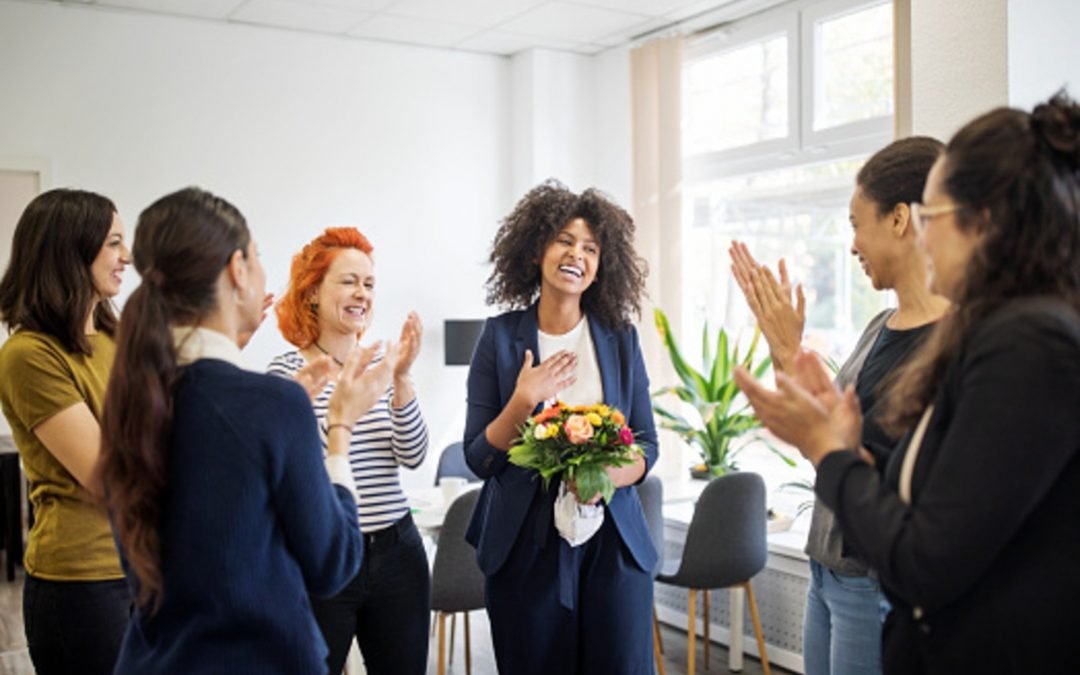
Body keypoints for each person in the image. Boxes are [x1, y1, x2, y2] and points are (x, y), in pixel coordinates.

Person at [735, 93, 1080, 673]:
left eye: (933, 218)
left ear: (982, 221)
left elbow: (927, 556)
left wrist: (832, 451)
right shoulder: (994, 332)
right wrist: (834, 435)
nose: (924, 239)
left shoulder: (1027, 344)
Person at [97, 187, 391, 673]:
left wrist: (279, 413)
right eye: (257, 258)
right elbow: (333, 563)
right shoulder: (271, 404)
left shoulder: (132, 400)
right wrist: (339, 426)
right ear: (237, 269)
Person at [728, 136, 949, 675]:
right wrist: (784, 351)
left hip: (874, 583)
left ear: (899, 218)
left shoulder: (953, 345)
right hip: (826, 567)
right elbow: (823, 448)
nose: (851, 245)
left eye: (855, 223)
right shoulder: (879, 327)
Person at [464, 180, 658, 674]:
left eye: (590, 248)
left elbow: (647, 445)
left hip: (612, 541)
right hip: (524, 545)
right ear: (536, 251)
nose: (577, 255)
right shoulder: (499, 337)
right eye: (564, 241)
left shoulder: (620, 339)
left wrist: (606, 478)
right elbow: (478, 458)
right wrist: (522, 400)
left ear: (601, 267)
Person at [269, 227, 429, 675]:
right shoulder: (287, 372)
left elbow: (413, 454)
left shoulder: (382, 367)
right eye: (348, 281)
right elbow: (290, 469)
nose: (362, 293)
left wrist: (400, 378)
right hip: (323, 556)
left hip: (398, 552)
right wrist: (344, 414)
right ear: (313, 292)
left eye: (369, 283)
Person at [0, 188, 131, 675]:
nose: (128, 256)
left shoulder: (117, 338)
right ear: (71, 249)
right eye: (114, 242)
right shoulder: (29, 354)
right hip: (84, 584)